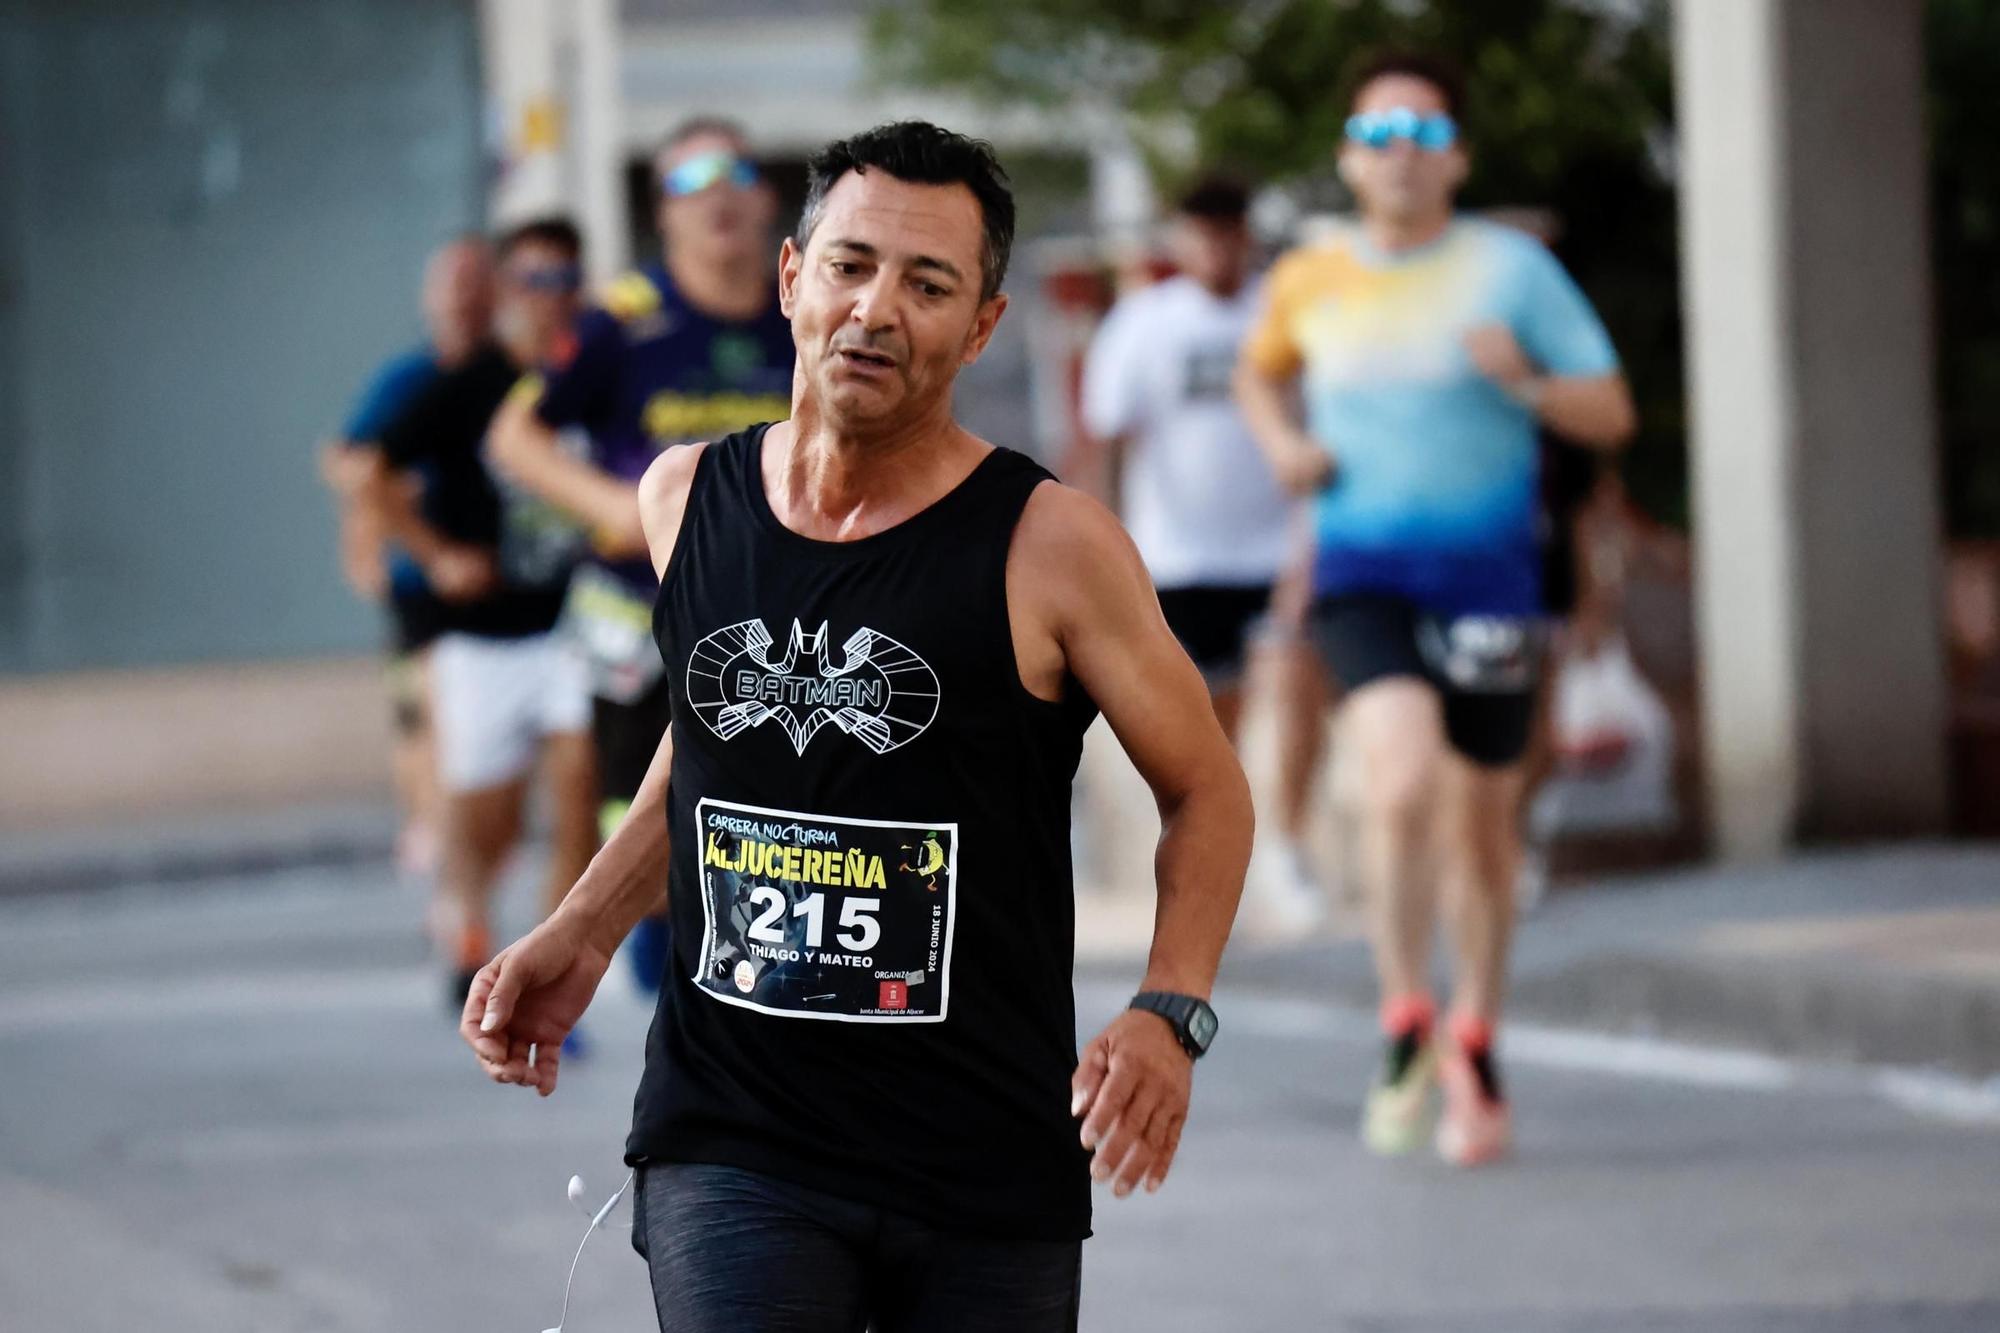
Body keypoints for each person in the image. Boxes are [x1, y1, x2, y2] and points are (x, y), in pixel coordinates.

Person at [462, 121, 1252, 1331]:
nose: (875, 309)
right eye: (850, 264)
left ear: (980, 326)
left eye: (927, 284)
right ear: (792, 277)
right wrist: (581, 924)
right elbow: (707, 733)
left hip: (982, 1156)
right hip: (732, 1136)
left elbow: (1206, 789)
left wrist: (1170, 1008)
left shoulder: (1050, 547)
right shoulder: (684, 499)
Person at [1235, 50, 1636, 1167]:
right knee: (1400, 781)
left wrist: (1524, 383)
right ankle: (1404, 1012)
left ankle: (1477, 1036)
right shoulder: (1310, 275)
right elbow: (1256, 373)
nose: (1394, 156)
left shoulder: (1509, 272)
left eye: (1417, 135)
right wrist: (1282, 444)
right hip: (1360, 576)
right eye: (1373, 136)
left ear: (1454, 156)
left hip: (1490, 584)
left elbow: (1607, 412)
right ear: (1345, 161)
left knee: (1482, 827)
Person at [487, 117, 794, 995]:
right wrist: (614, 507)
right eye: (690, 178)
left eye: (734, 169)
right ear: (665, 212)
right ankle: (664, 991)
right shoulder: (624, 320)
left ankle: (736, 997)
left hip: (773, 614)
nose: (718, 193)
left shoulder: (804, 312)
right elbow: (516, 434)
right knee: (641, 821)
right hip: (639, 611)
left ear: (765, 196)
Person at [363, 218, 599, 1012]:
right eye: (533, 280)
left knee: (578, 785)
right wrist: (434, 555)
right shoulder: (467, 383)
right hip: (483, 635)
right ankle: (465, 919)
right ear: (506, 292)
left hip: (578, 624)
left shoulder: (596, 370)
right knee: (485, 823)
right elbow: (369, 471)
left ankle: (546, 960)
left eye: (565, 280)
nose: (551, 298)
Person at [1079, 176, 1326, 929]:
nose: (1217, 249)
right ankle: (1216, 851)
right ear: (1181, 239)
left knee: (1293, 682)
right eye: (1203, 233)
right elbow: (1107, 440)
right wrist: (1102, 548)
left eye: (1230, 232)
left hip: (1273, 548)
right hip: (1178, 557)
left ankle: (1288, 841)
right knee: (1211, 720)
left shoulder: (1279, 315)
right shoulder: (1144, 324)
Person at [320, 236, 494, 877]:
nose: (462, 296)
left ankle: (454, 843)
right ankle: (432, 829)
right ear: (429, 298)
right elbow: (347, 464)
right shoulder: (409, 381)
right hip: (420, 588)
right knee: (421, 718)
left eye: (474, 281)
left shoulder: (511, 378)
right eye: (450, 283)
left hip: (496, 586)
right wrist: (376, 533)